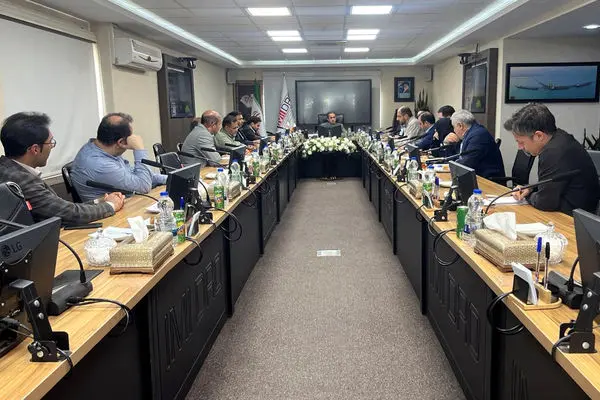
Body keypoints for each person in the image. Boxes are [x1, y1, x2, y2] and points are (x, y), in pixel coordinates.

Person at [0, 112, 124, 225]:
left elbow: (60, 207)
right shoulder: (21, 180)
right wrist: (110, 205)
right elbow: (69, 214)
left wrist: (99, 202)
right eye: (50, 142)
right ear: (35, 149)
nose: (51, 147)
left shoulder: (7, 169)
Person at [507, 103, 600, 215]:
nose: (520, 147)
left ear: (539, 136)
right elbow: (550, 186)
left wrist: (528, 196)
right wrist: (530, 189)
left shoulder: (553, 152)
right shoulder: (560, 138)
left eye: (521, 142)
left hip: (572, 219)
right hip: (574, 212)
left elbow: (545, 203)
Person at [70, 113, 167, 202]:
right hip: (110, 214)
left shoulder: (102, 149)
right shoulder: (99, 164)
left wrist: (170, 179)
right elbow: (144, 186)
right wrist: (139, 149)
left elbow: (137, 175)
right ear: (120, 142)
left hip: (127, 204)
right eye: (130, 138)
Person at [451, 109, 504, 179]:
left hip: (487, 180)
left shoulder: (478, 136)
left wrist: (448, 167)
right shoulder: (472, 132)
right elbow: (459, 156)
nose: (454, 131)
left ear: (460, 126)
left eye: (454, 127)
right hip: (476, 177)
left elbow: (467, 163)